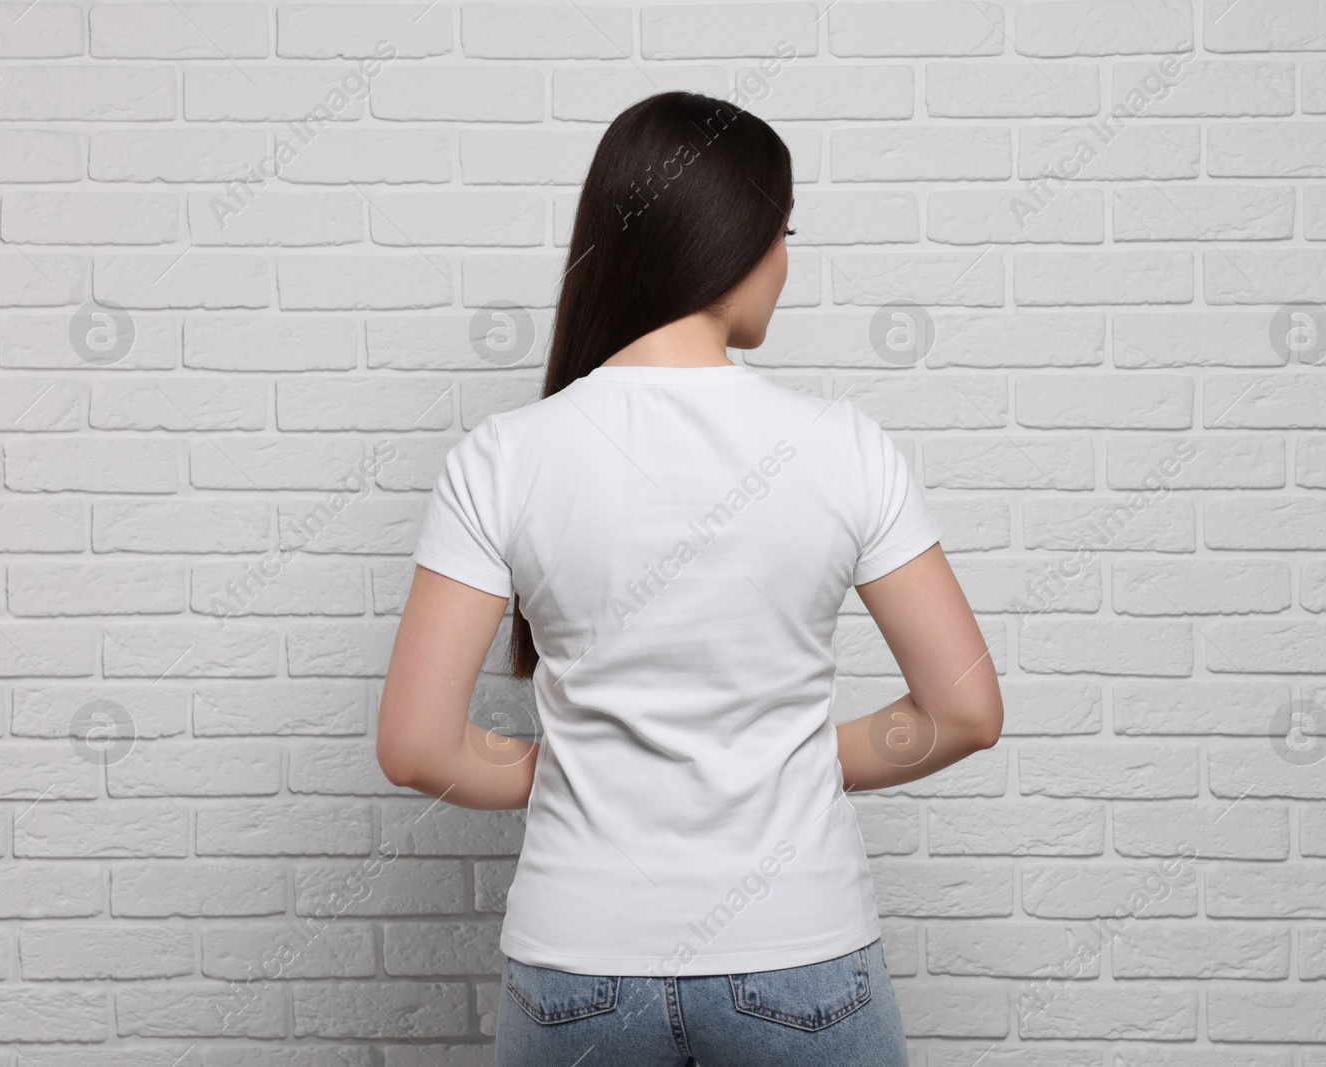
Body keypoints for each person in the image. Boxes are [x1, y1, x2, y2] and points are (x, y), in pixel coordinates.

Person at [377, 91, 1004, 1067]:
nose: (786, 263)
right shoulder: (842, 448)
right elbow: (964, 712)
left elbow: (417, 746)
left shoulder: (502, 456)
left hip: (576, 962)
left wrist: (578, 774)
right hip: (799, 949)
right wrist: (778, 759)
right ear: (732, 241)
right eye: (781, 231)